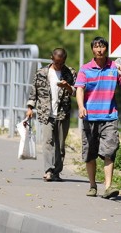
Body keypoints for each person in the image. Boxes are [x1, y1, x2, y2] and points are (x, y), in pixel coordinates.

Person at [75, 37, 121, 199]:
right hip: (90, 116)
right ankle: (92, 185)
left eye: (102, 47)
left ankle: (108, 187)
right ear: (92, 49)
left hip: (109, 116)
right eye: (96, 47)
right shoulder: (85, 69)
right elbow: (79, 89)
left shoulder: (115, 67)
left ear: (107, 49)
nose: (99, 50)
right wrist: (81, 107)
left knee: (109, 151)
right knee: (89, 153)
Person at [26, 48, 77, 182]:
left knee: (60, 145)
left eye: (62, 62)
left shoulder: (70, 73)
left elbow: (77, 92)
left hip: (63, 113)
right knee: (47, 142)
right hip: (46, 112)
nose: (59, 65)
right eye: (57, 62)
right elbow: (34, 91)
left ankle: (57, 172)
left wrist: (68, 87)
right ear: (52, 58)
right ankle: (48, 170)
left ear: (65, 60)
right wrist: (30, 107)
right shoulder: (42, 73)